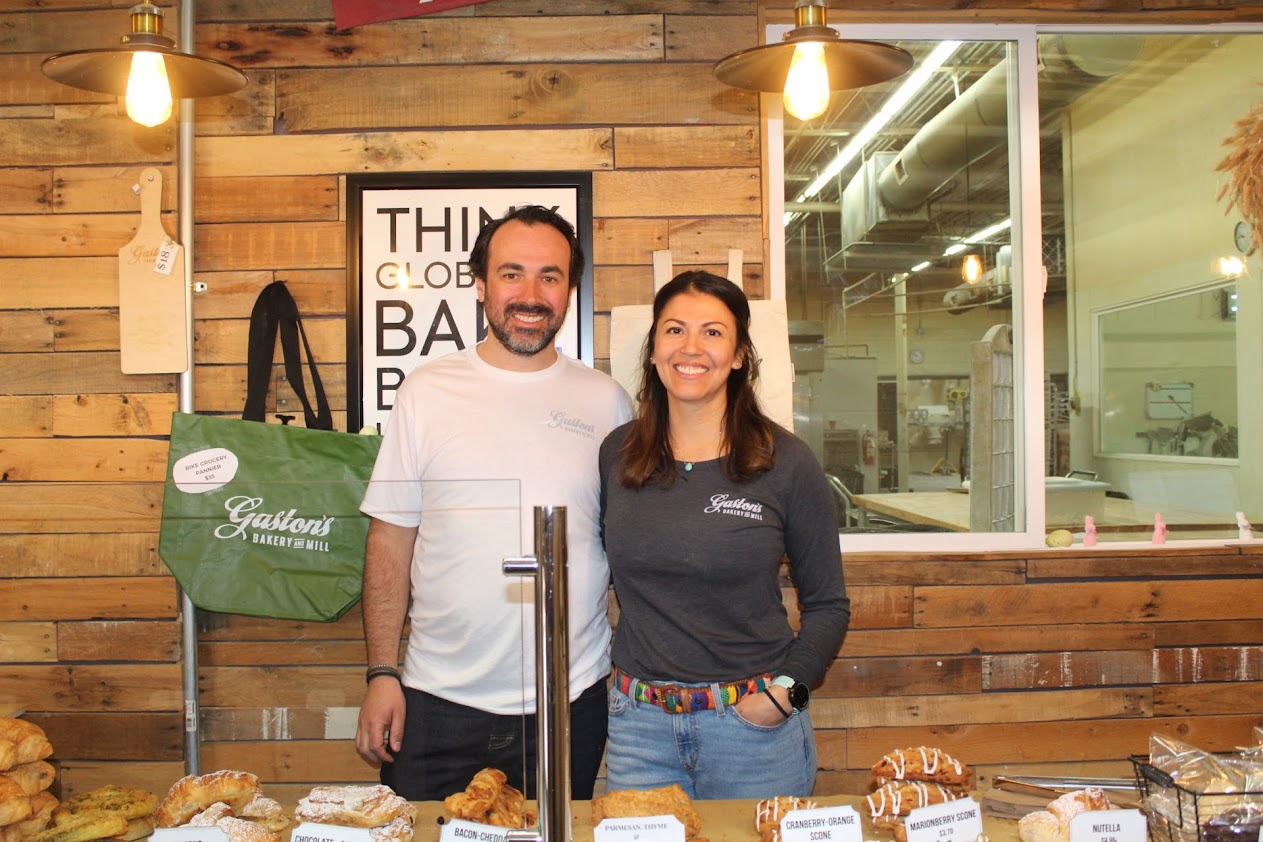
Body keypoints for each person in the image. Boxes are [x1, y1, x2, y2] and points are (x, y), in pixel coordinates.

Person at [355, 204, 632, 802]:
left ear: (569, 289)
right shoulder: (426, 393)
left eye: (550, 276)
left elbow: (630, 546)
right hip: (435, 702)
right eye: (512, 274)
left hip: (568, 702)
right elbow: (390, 540)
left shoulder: (607, 403)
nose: (531, 295)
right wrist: (381, 674)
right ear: (480, 284)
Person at [598, 270, 849, 800]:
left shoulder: (785, 461)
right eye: (674, 330)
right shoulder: (618, 454)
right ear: (653, 349)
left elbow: (828, 605)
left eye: (713, 332)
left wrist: (786, 695)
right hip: (639, 728)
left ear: (739, 356)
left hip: (753, 732)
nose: (691, 347)